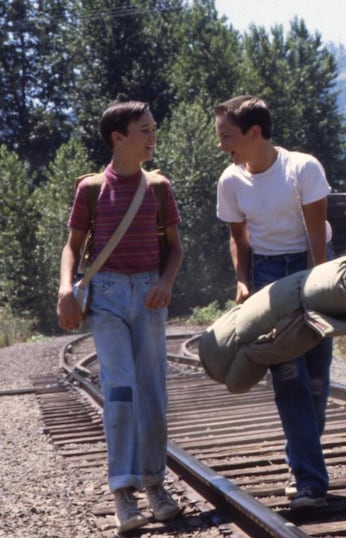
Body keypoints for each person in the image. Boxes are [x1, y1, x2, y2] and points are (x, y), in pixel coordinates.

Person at [56, 101, 184, 533]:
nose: (153, 137)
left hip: (149, 295)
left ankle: (155, 486)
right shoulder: (92, 189)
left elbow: (176, 248)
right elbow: (73, 247)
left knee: (154, 394)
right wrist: (65, 289)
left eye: (154, 129)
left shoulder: (159, 187)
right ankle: (123, 494)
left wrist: (166, 281)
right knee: (122, 391)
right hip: (108, 295)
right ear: (119, 137)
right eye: (144, 130)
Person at [213, 95, 333, 510]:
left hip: (310, 266)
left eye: (227, 136)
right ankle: (310, 481)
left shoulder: (302, 168)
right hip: (266, 277)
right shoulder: (230, 180)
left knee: (316, 376)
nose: (221, 145)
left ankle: (303, 460)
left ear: (255, 133)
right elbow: (238, 238)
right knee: (287, 377)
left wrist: (320, 288)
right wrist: (243, 281)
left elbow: (316, 234)